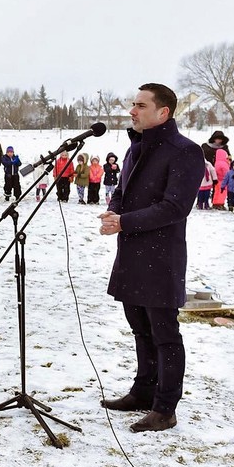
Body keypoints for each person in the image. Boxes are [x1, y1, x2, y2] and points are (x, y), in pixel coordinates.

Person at [98, 83, 203, 433]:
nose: (132, 110)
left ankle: (165, 406)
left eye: (140, 105)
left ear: (163, 113)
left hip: (162, 257)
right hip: (131, 253)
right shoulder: (137, 147)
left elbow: (175, 207)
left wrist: (124, 222)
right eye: (132, 104)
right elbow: (123, 194)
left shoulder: (185, 152)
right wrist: (114, 212)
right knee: (140, 330)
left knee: (165, 334)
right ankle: (143, 392)